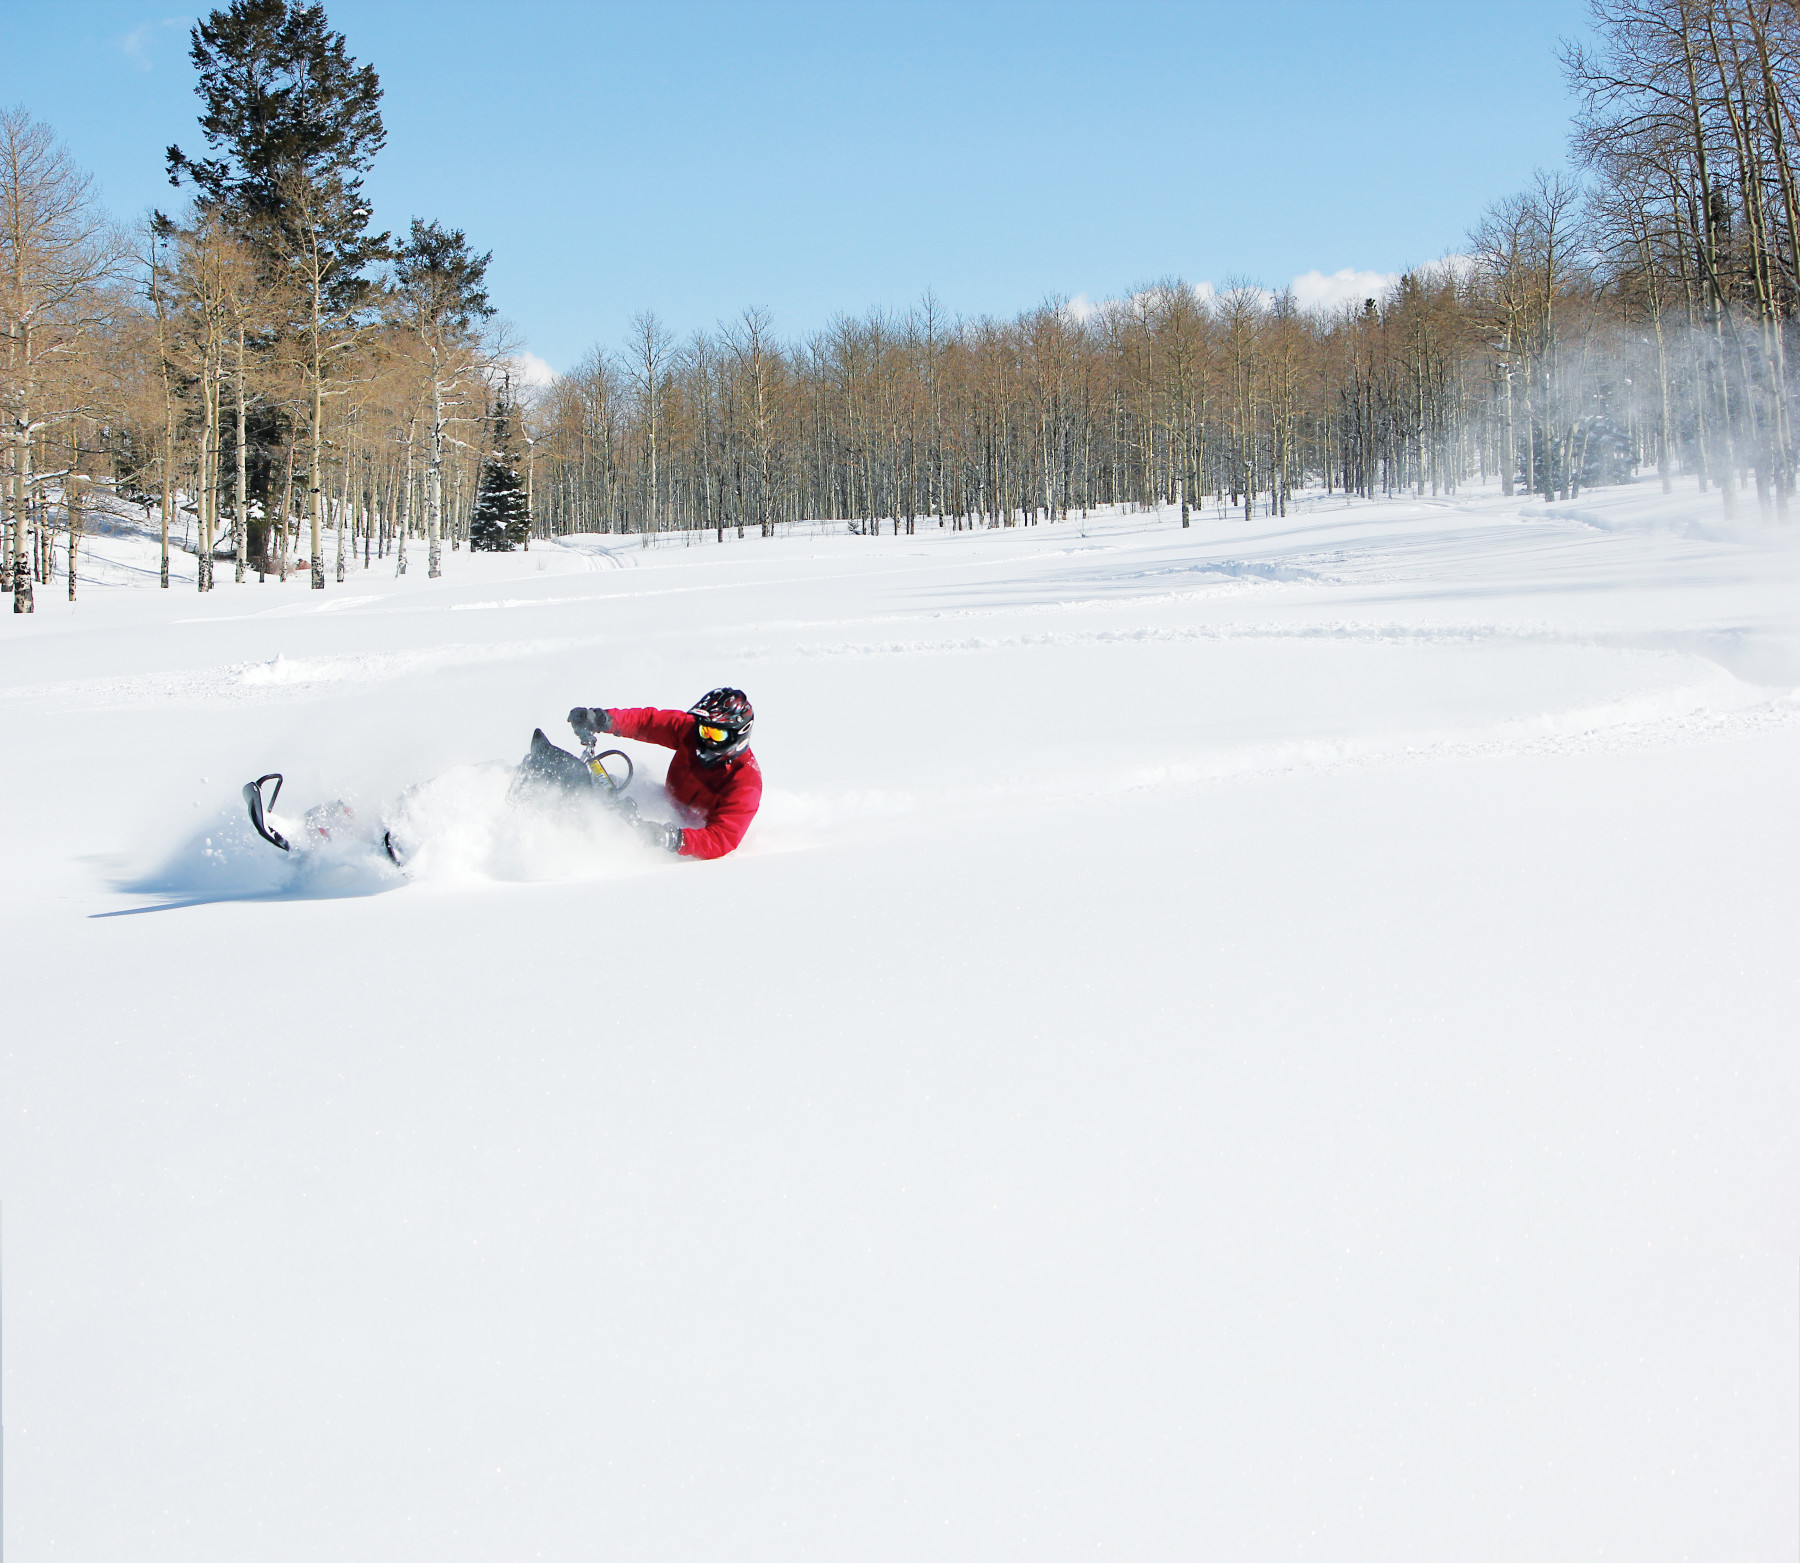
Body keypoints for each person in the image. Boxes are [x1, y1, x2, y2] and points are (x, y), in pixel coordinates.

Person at [568, 688, 761, 860]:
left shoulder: (745, 782)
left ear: (738, 735)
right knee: (600, 786)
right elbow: (648, 723)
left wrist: (673, 838)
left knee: (620, 833)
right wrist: (603, 720)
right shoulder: (691, 733)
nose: (705, 739)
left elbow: (721, 839)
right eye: (704, 731)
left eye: (716, 735)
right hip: (662, 802)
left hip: (684, 835)